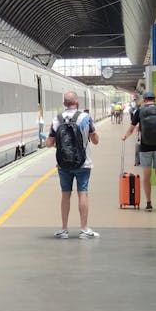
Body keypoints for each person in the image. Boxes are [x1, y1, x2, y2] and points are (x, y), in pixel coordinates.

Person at [47, 90, 101, 238]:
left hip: (63, 164)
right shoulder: (85, 117)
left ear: (64, 104)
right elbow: (95, 141)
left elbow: (48, 143)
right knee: (82, 192)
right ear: (77, 102)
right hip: (83, 163)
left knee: (65, 194)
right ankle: (84, 229)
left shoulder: (57, 119)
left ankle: (64, 230)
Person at [122, 90, 156, 211]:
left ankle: (149, 203)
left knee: (146, 177)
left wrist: (124, 137)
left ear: (144, 100)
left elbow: (131, 129)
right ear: (155, 99)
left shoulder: (140, 111)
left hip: (145, 148)